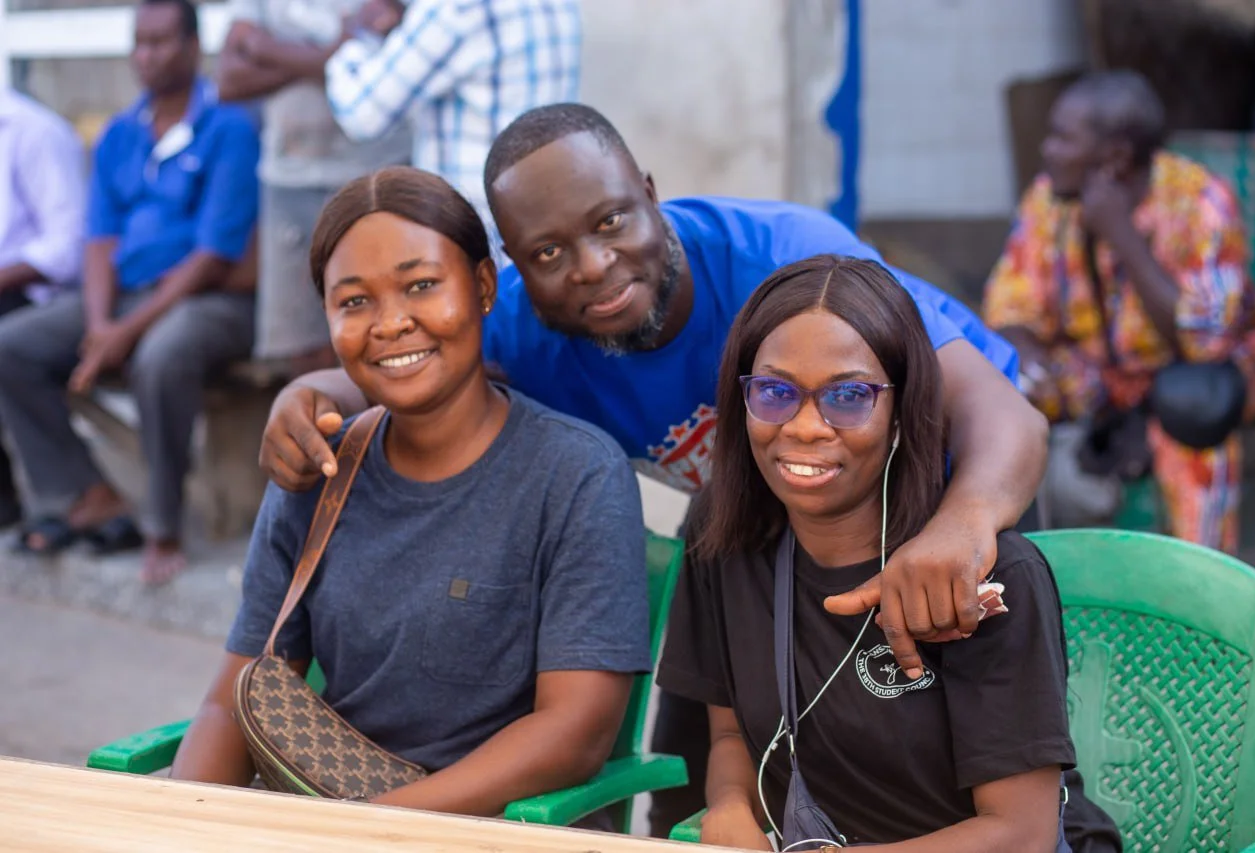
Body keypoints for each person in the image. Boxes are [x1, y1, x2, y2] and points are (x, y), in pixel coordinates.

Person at [256, 103, 1050, 835]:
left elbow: (1004, 413)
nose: (593, 265)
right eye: (549, 251)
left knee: (971, 783)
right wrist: (310, 390)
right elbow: (417, 348)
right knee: (703, 785)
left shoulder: (787, 264)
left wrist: (964, 527)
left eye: (610, 221)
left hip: (956, 508)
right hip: (772, 545)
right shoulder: (531, 329)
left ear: (649, 192)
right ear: (515, 267)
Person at [170, 166, 651, 816]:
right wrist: (177, 822)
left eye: (421, 285)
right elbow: (229, 703)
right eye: (354, 301)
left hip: (489, 827)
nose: (390, 323)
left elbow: (574, 733)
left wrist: (379, 829)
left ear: (483, 287)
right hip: (333, 810)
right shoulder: (319, 472)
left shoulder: (575, 475)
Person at [657, 255, 1121, 852]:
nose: (804, 427)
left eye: (848, 396)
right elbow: (732, 737)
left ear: (903, 411)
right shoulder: (722, 534)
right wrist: (728, 806)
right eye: (774, 392)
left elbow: (1021, 835)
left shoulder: (993, 574)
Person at [0, 0, 260, 583]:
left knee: (162, 356)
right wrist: (99, 323)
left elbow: (214, 255)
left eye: (162, 41)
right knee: (11, 347)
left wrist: (124, 332)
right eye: (139, 42)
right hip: (125, 298)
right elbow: (98, 241)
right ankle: (82, 491)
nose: (147, 55)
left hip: (210, 299)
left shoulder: (229, 128)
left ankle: (163, 527)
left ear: (193, 47)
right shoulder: (120, 134)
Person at [983, 70, 1255, 553]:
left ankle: (1202, 580)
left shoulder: (1200, 203)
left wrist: (1118, 231)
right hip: (1101, 370)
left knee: (1192, 410)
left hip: (1195, 378)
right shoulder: (1048, 199)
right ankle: (1029, 567)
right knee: (1004, 386)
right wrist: (1028, 358)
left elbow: (1203, 345)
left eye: (1063, 138)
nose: (1048, 150)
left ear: (1115, 158)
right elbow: (1011, 306)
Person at [217, 0, 412, 367]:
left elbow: (406, 53)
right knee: (304, 350)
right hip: (289, 183)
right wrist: (331, 56)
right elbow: (229, 80)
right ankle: (325, 426)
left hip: (377, 179)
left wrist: (269, 50)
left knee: (384, 335)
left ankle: (377, 428)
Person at [323, 0, 581, 251]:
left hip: (472, 231)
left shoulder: (456, 9)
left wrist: (355, 36)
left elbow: (362, 113)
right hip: (540, 217)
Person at [0, 87, 87, 528]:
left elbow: (66, 249)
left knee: (8, 343)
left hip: (42, 295)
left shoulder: (33, 131)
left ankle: (71, 494)